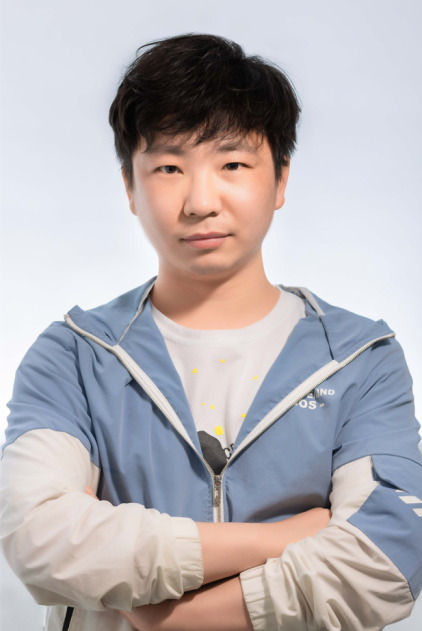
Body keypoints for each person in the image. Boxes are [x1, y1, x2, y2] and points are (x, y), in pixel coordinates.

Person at [1, 33, 421, 631]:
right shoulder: (73, 354)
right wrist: (284, 537)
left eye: (232, 164)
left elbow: (386, 559)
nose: (200, 201)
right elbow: (39, 539)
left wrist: (169, 616)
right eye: (169, 167)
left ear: (280, 179)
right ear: (130, 187)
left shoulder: (360, 358)